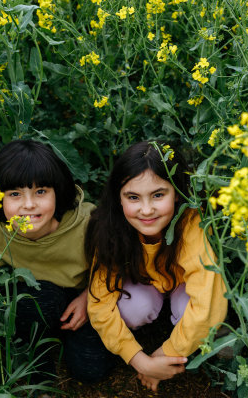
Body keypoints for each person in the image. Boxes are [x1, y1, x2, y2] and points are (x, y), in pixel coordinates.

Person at [0, 139, 111, 384]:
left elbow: (112, 267)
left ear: (58, 191)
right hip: (37, 301)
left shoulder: (88, 223)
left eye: (41, 192)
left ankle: (66, 335)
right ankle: (38, 363)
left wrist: (89, 297)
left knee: (92, 372)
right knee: (31, 300)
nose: (29, 204)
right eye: (14, 194)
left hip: (86, 300)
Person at [84, 141, 228, 392]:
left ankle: (202, 335)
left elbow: (207, 303)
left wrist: (165, 355)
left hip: (183, 284)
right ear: (118, 198)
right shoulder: (109, 228)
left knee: (197, 312)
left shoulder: (191, 222)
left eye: (158, 195)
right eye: (133, 197)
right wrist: (139, 360)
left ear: (178, 192)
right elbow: (99, 305)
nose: (147, 209)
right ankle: (154, 327)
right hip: (143, 282)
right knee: (134, 308)